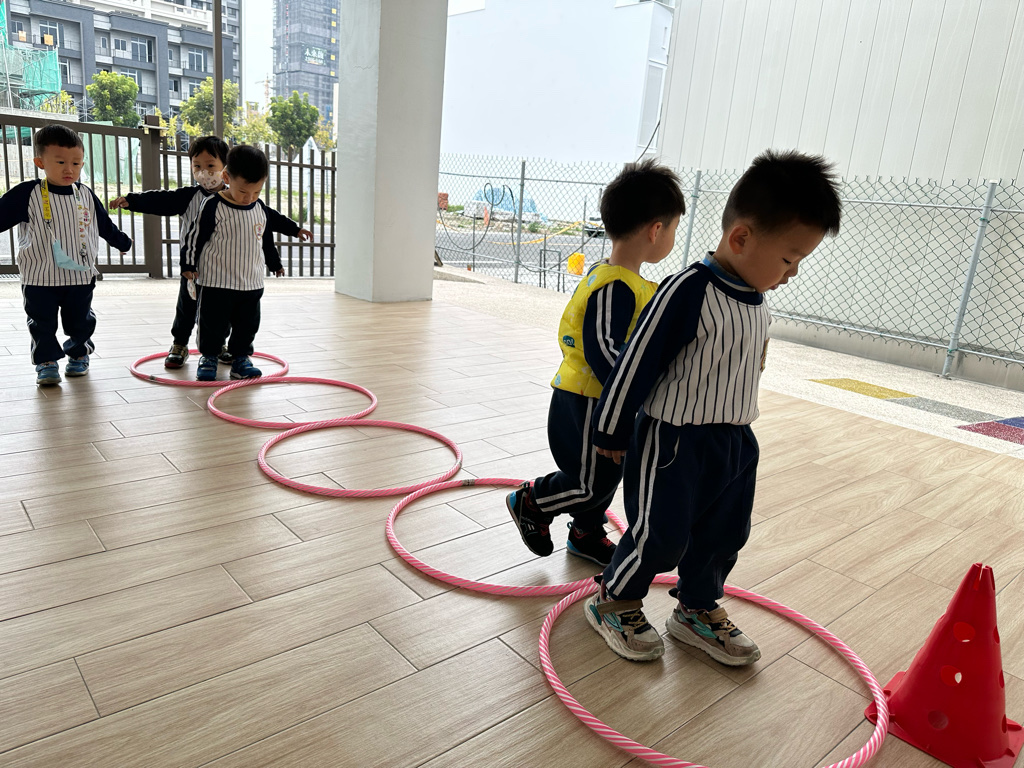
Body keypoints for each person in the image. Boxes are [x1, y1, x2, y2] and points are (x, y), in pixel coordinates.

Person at [584, 150, 842, 664]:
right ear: (740, 238)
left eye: (799, 262)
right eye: (788, 259)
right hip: (673, 440)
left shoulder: (756, 299)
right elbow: (636, 363)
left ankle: (696, 607)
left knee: (725, 533)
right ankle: (615, 597)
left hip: (735, 439)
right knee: (661, 536)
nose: (792, 273)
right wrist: (611, 430)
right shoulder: (686, 290)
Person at [506, 160, 685, 568]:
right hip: (586, 400)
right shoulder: (614, 284)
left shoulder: (625, 279)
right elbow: (602, 349)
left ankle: (585, 532)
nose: (672, 237)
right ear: (656, 230)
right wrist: (632, 392)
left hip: (606, 399)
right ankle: (532, 500)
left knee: (607, 473)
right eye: (673, 229)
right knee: (589, 483)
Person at [0, 124, 132, 386]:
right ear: (40, 162)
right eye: (60, 162)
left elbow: (103, 225)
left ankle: (79, 353)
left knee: (80, 320)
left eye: (76, 163)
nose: (69, 169)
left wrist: (122, 242)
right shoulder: (27, 194)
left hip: (79, 276)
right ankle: (46, 361)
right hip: (40, 276)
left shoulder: (85, 194)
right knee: (41, 322)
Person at [179, 144, 311, 381]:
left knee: (247, 325)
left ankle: (241, 358)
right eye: (243, 191)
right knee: (213, 324)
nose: (249, 198)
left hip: (251, 283)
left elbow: (267, 236)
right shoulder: (213, 206)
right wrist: (188, 265)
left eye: (256, 192)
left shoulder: (259, 208)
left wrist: (288, 243)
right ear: (226, 178)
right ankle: (209, 357)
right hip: (216, 282)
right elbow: (194, 237)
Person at [110, 135, 232, 369]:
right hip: (193, 268)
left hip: (223, 270)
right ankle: (179, 344)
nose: (204, 172)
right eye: (197, 166)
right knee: (187, 307)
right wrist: (132, 201)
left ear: (225, 168)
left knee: (221, 311)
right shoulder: (188, 197)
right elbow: (161, 200)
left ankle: (218, 345)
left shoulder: (233, 198)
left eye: (210, 166)